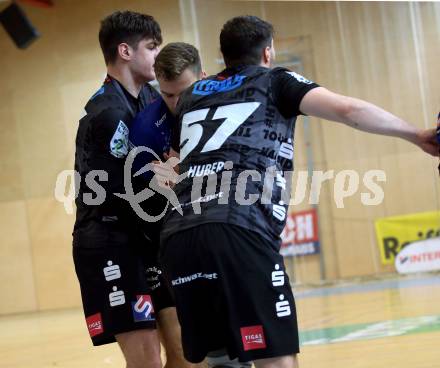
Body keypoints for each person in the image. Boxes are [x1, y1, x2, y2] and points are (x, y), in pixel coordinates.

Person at [155, 15, 439, 368]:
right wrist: (416, 134)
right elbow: (349, 110)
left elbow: (177, 162)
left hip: (178, 236)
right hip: (237, 229)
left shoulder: (192, 96)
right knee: (276, 360)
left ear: (223, 55)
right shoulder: (275, 80)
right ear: (268, 52)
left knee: (222, 360)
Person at [72, 11, 189, 368]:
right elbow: (123, 191)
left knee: (188, 356)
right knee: (147, 362)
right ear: (125, 51)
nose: (158, 55)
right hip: (111, 242)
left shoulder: (151, 99)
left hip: (148, 240)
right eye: (152, 47)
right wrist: (167, 175)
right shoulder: (107, 113)